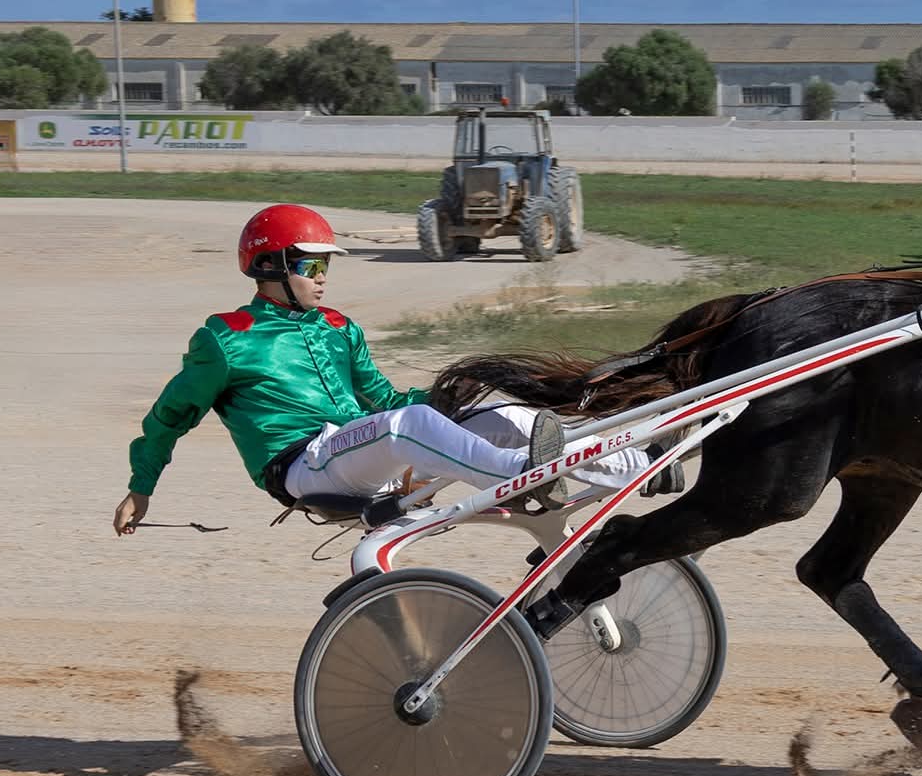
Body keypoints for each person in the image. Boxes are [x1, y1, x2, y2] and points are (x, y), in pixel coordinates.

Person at [113, 203, 655, 537]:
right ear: (270, 265)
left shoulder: (337, 326)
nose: (322, 276)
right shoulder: (226, 338)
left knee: (505, 415)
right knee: (409, 426)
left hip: (365, 453)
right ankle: (520, 477)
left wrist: (448, 400)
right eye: (311, 264)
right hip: (302, 466)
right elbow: (170, 416)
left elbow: (384, 400)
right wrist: (141, 487)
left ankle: (640, 465)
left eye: (326, 265)